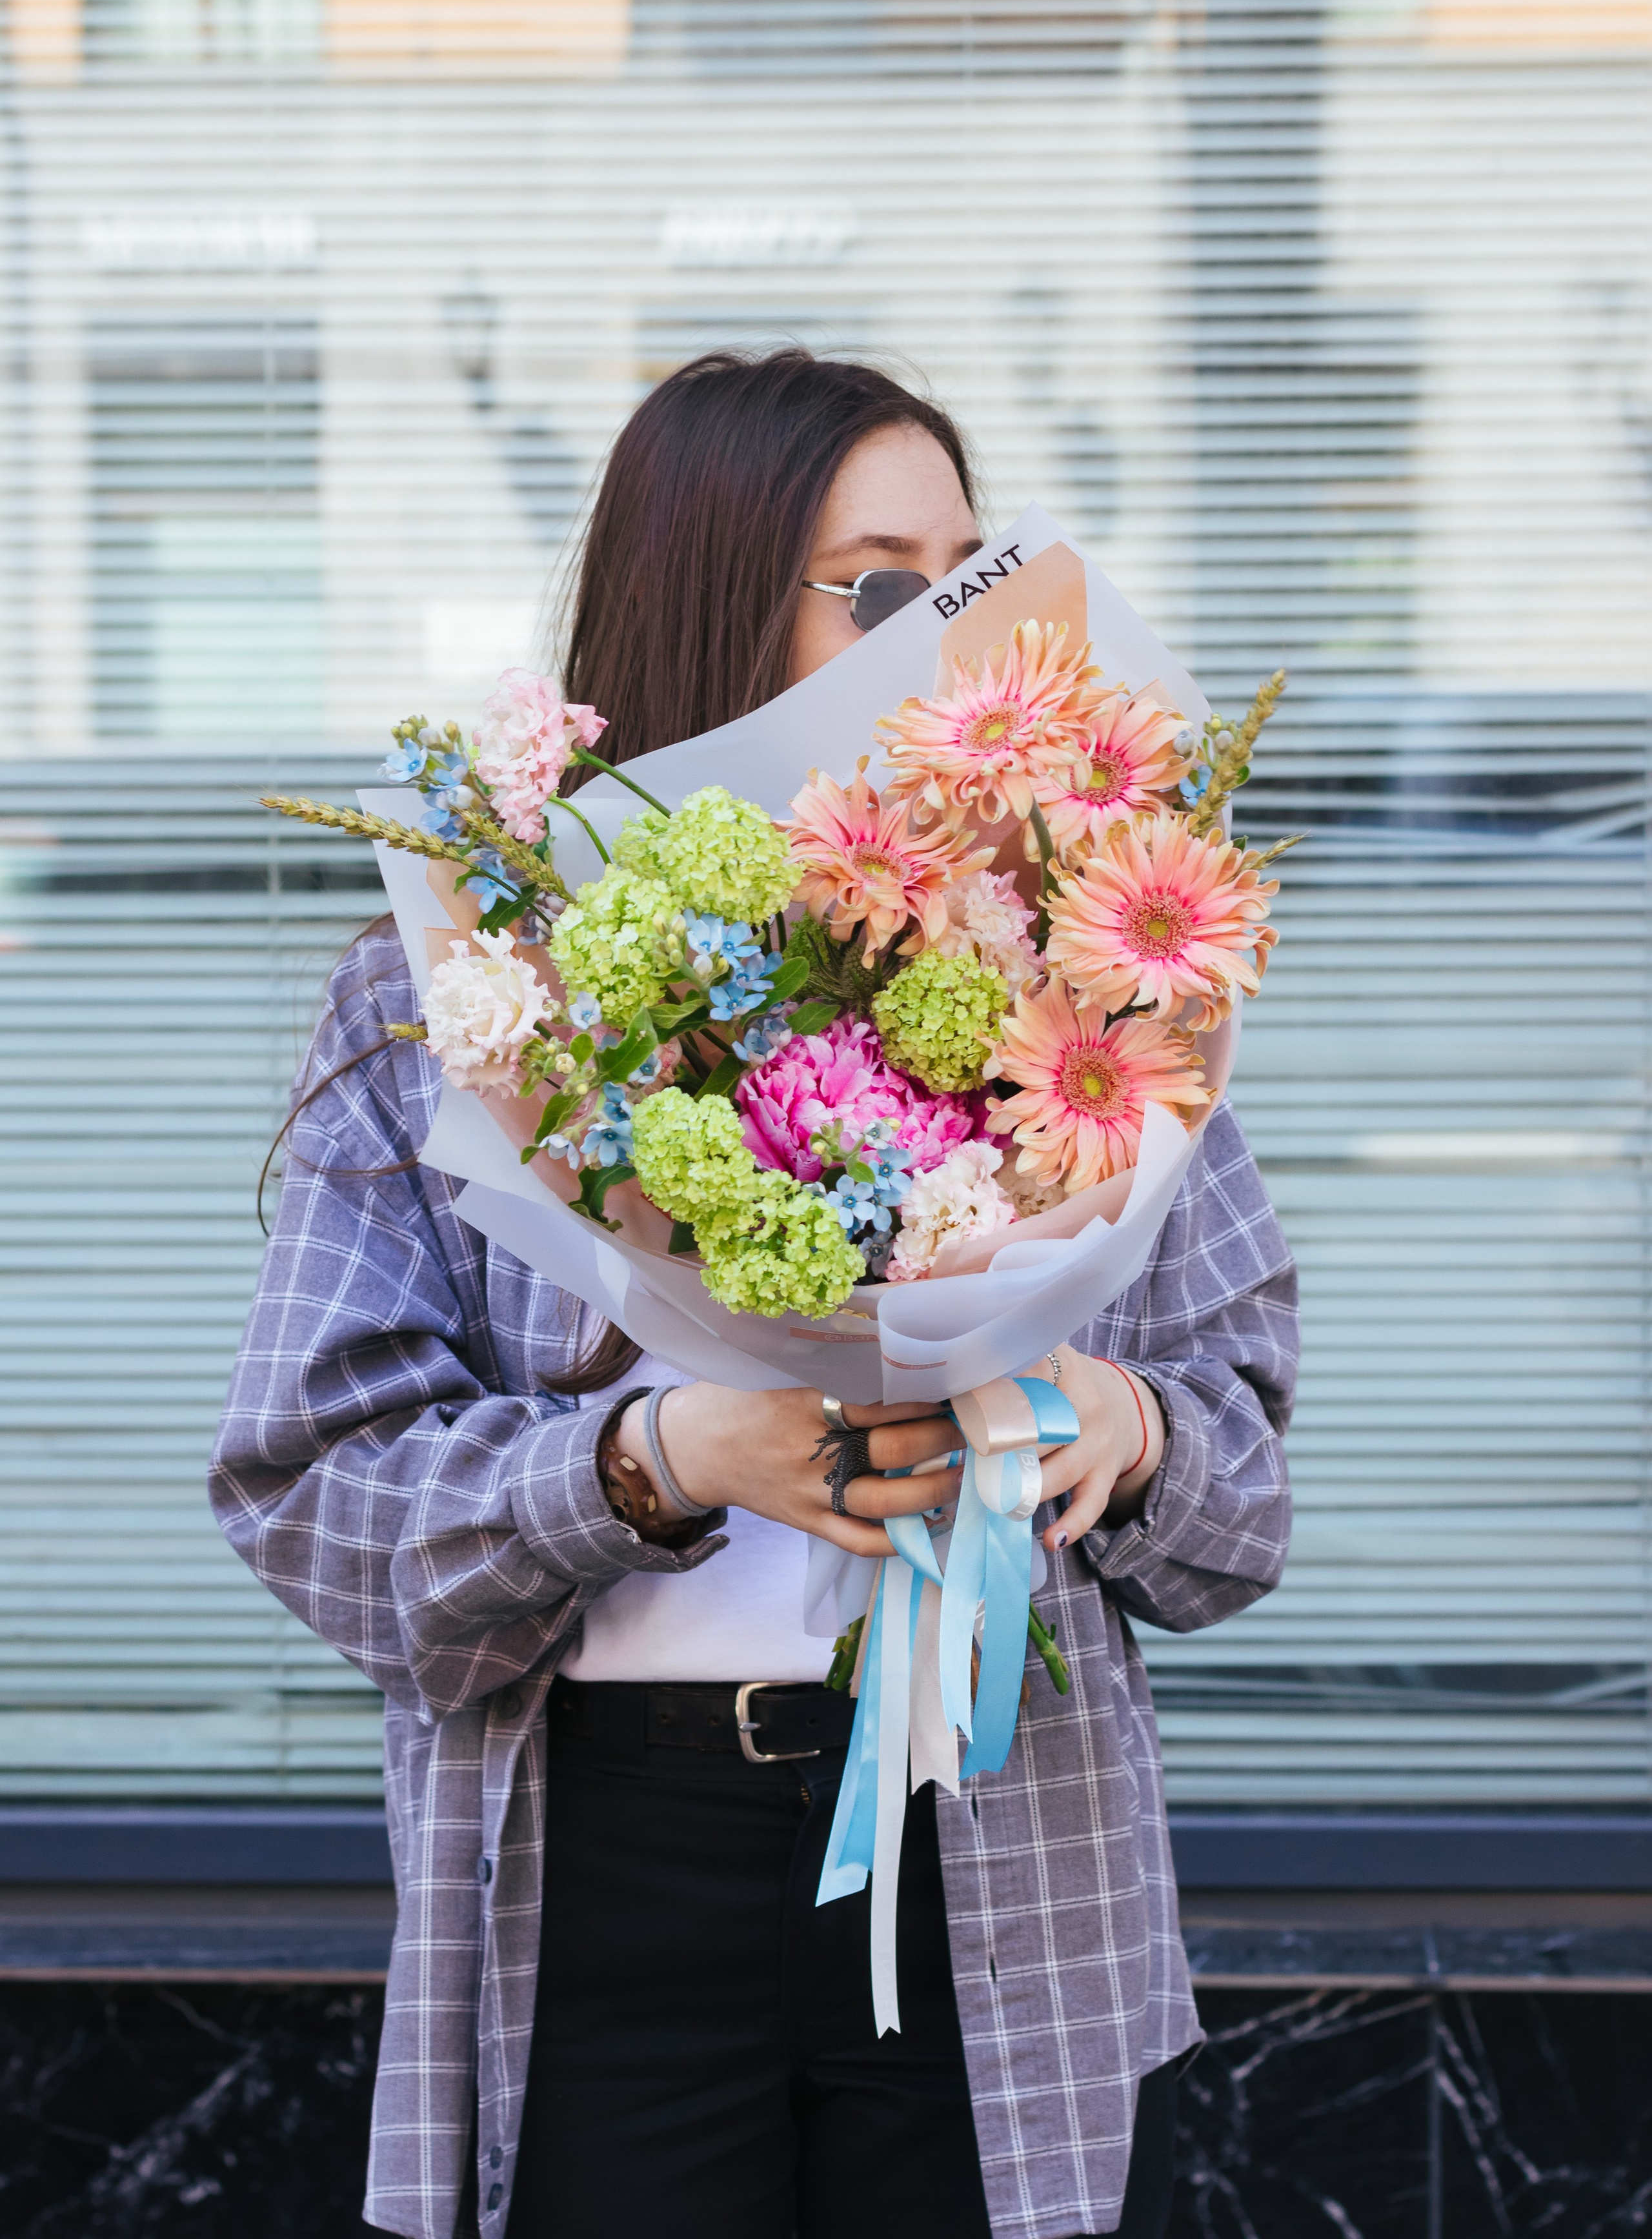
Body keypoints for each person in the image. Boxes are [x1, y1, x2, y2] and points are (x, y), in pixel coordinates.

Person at [212, 347, 1296, 2239]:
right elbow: (315, 1503)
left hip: (998, 1849)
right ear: (714, 591)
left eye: (977, 577)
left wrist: (1117, 1428)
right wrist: (665, 1455)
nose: (952, 634)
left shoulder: (1088, 968)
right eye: (884, 584)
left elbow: (1240, 1503)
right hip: (605, 1868)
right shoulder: (456, 990)